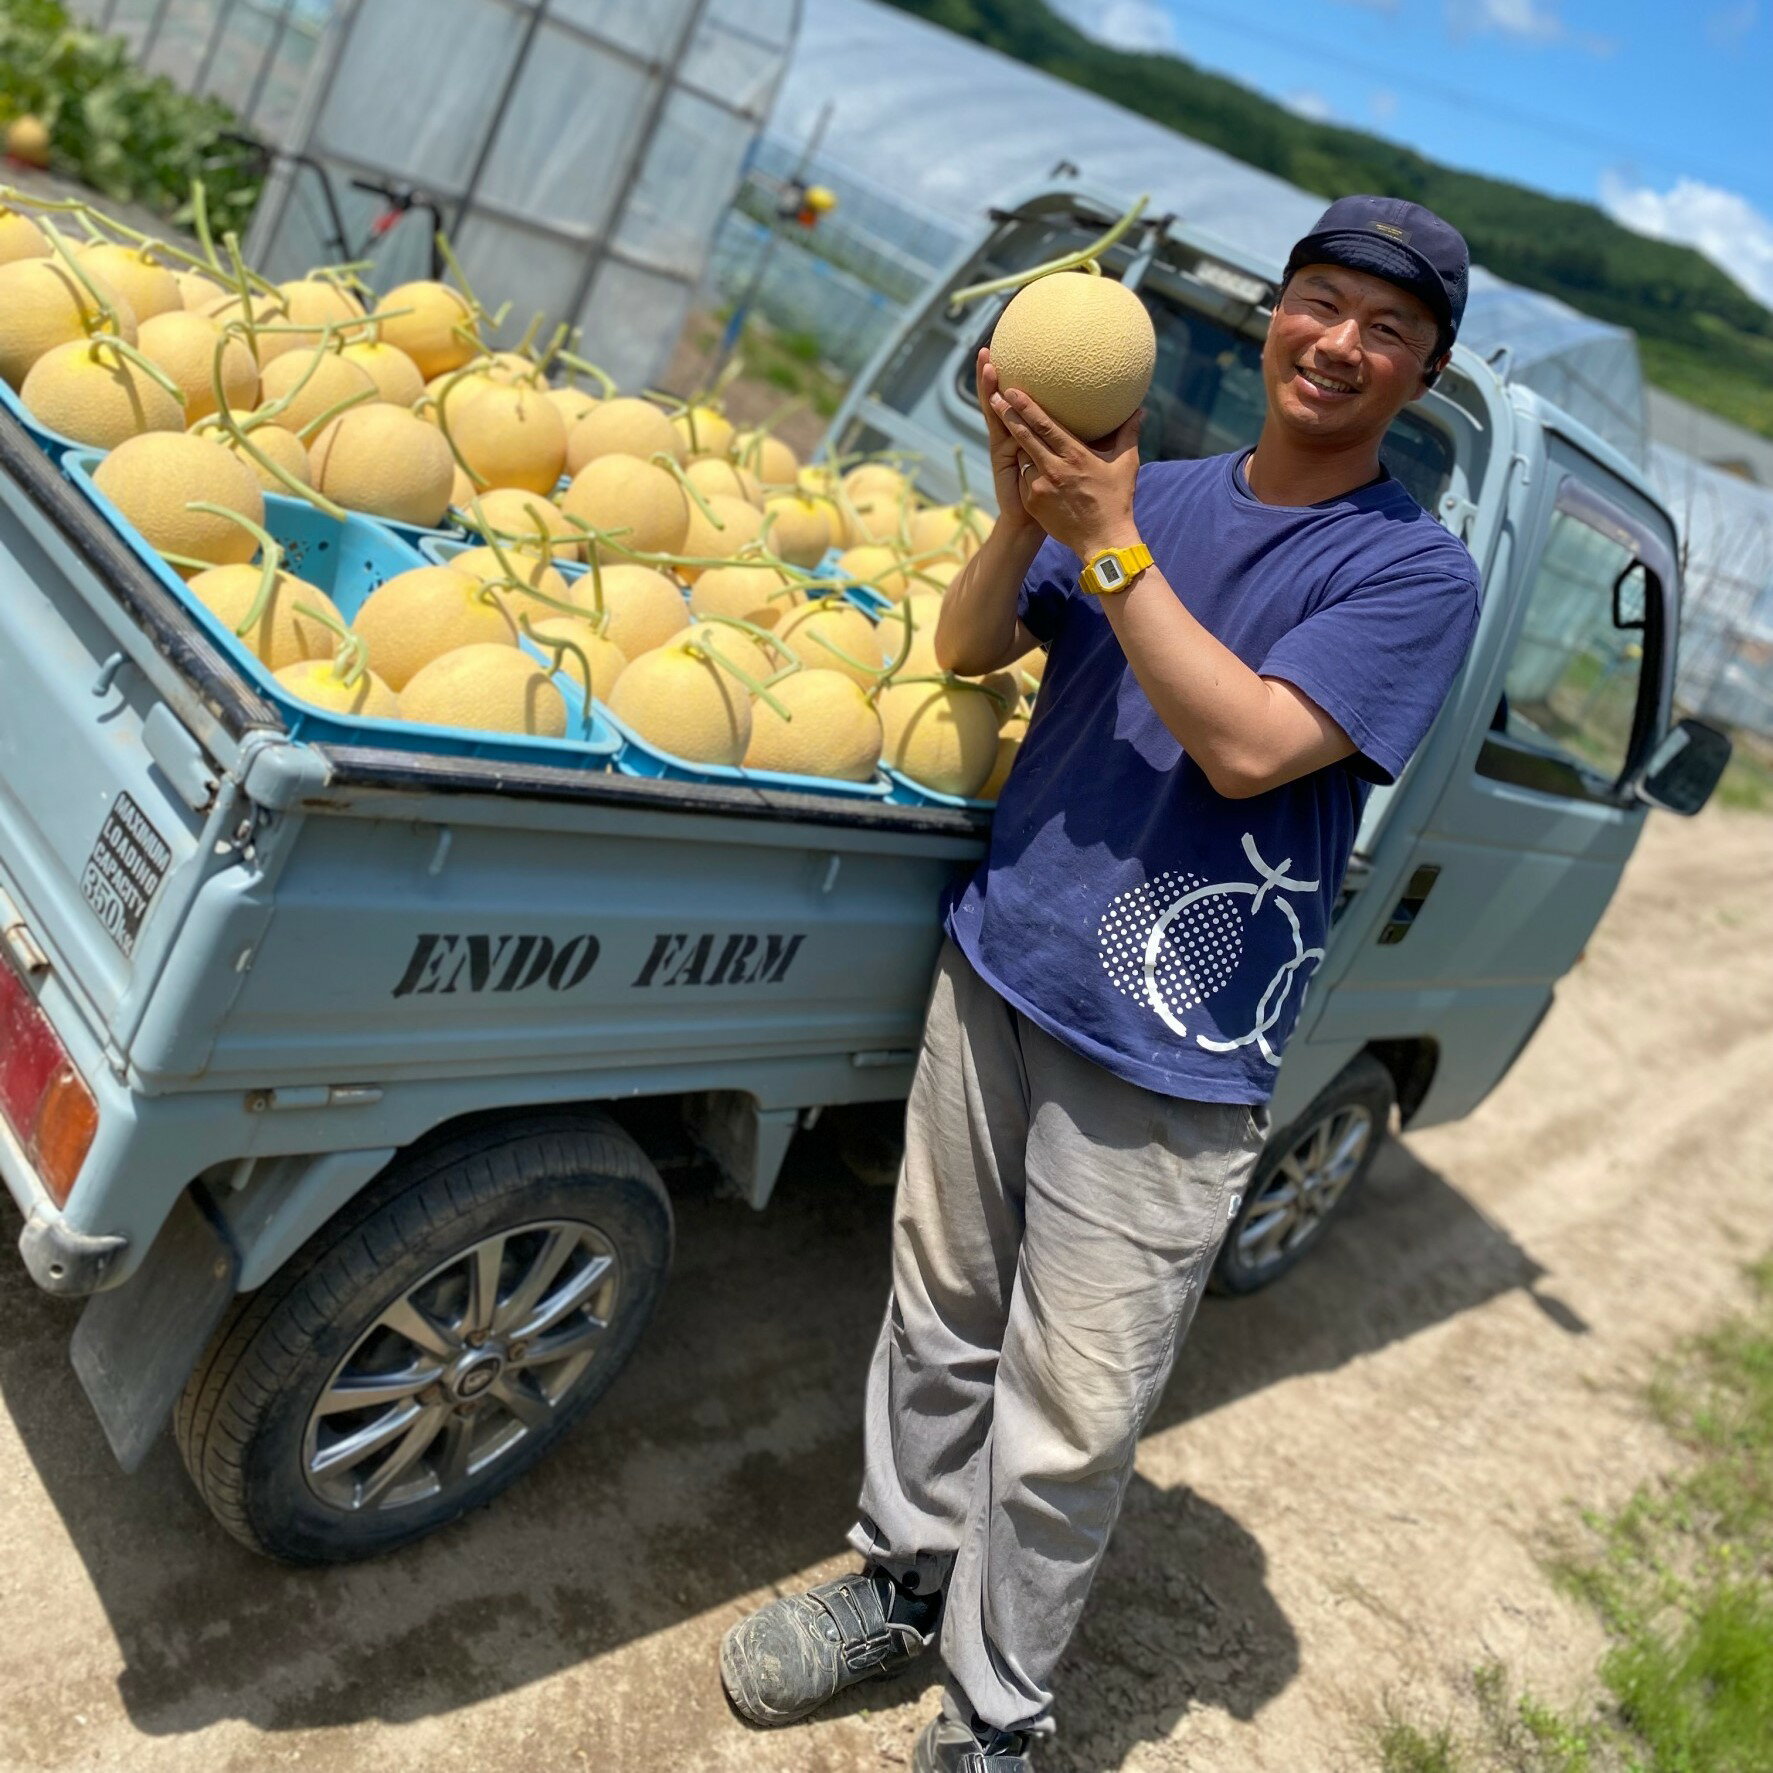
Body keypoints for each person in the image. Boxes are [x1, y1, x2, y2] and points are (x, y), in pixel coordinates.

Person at [720, 196, 1483, 1772]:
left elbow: (1251, 744)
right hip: (1004, 959)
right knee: (938, 1315)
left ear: (1423, 375)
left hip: (1170, 1047)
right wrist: (1024, 512)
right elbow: (965, 645)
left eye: (1387, 329)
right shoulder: (1162, 493)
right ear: (1272, 315)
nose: (1338, 342)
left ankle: (992, 1717)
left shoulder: (1409, 573)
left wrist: (1107, 535)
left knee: (1068, 1411)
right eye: (1319, 301)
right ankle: (902, 1579)